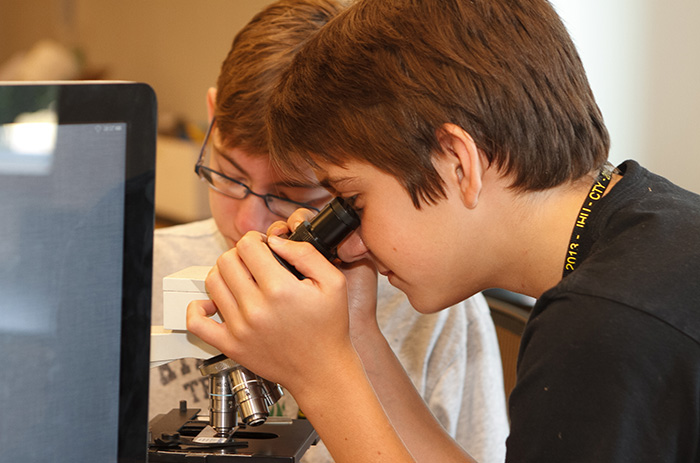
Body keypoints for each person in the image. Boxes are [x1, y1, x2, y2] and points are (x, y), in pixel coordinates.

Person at [187, 0, 700, 462]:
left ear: (458, 162)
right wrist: (356, 337)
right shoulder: (650, 230)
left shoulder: (603, 328)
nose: (354, 241)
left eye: (354, 201)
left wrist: (317, 374)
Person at [149, 1, 509, 462]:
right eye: (230, 175)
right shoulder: (140, 269)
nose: (246, 225)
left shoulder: (435, 312)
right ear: (213, 113)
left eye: (291, 193)